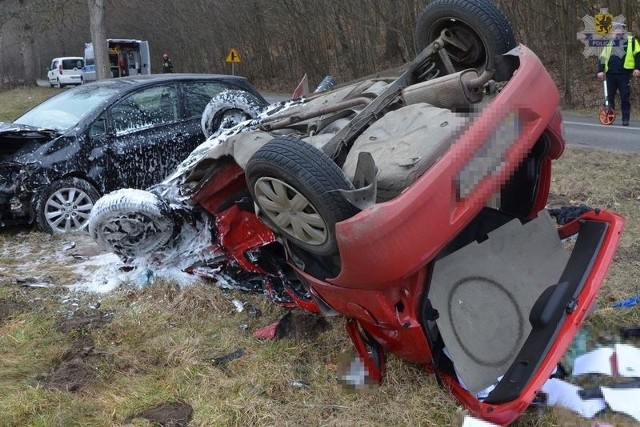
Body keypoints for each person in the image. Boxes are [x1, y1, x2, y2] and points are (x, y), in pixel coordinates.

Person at [597, 22, 640, 126]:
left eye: (619, 29)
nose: (616, 31)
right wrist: (600, 70)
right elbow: (602, 57)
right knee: (609, 97)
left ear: (623, 30)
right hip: (610, 74)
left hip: (624, 74)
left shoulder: (631, 41)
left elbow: (638, 55)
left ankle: (625, 119)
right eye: (615, 29)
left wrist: (637, 68)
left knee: (625, 96)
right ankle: (608, 116)